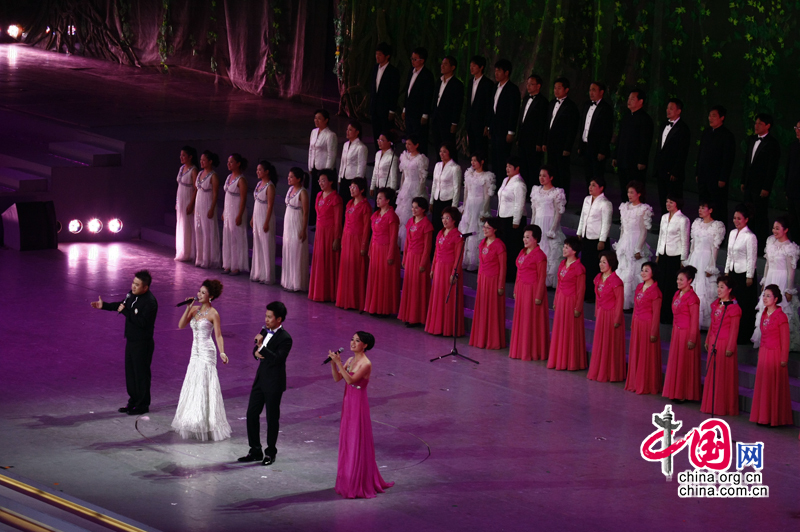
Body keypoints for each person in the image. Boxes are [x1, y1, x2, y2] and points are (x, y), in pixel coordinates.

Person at [328, 331, 394, 498]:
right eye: (352, 339)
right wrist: (333, 364)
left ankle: (357, 481)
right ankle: (347, 479)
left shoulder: (366, 363)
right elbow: (338, 379)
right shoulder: (350, 360)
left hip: (358, 404)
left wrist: (339, 363)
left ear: (365, 345)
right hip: (348, 402)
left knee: (356, 439)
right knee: (347, 439)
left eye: (357, 341)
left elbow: (350, 380)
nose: (352, 343)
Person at [90, 270, 158, 416]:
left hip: (143, 343)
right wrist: (105, 306)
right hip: (131, 340)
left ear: (145, 287)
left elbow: (143, 323)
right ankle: (133, 402)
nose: (133, 287)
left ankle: (142, 405)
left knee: (141, 374)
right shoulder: (131, 294)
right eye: (133, 283)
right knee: (131, 373)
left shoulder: (150, 302)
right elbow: (121, 305)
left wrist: (126, 312)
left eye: (137, 285)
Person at [172, 280, 231, 441]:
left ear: (211, 296)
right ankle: (192, 419)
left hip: (207, 351)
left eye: (203, 293)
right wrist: (187, 307)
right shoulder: (194, 310)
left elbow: (218, 335)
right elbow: (181, 324)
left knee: (205, 383)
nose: (199, 295)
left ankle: (206, 422)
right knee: (193, 382)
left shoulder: (213, 314)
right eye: (199, 291)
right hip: (194, 352)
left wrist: (222, 352)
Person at [239, 301, 293, 466]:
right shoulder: (264, 331)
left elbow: (277, 359)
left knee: (271, 418)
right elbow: (257, 351)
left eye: (270, 317)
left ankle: (270, 452)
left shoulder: (286, 338)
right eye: (266, 316)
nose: (266, 319)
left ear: (279, 319)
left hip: (274, 383)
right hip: (260, 380)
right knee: (251, 414)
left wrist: (262, 347)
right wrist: (257, 352)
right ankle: (255, 450)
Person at [751, 216, 800, 350]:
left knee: (781, 309)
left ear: (786, 230)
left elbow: (791, 271)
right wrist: (764, 281)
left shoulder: (790, 248)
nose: (774, 231)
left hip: (782, 280)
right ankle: (765, 339)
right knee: (766, 307)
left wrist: (789, 289)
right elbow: (767, 264)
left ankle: (780, 342)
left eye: (778, 228)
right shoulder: (771, 242)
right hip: (771, 277)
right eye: (773, 228)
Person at [749, 285, 793, 426]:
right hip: (764, 352)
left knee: (774, 386)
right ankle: (763, 416)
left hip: (776, 354)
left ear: (776, 299)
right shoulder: (763, 314)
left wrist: (783, 358)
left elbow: (785, 340)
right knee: (764, 385)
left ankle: (773, 418)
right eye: (764, 295)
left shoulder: (781, 317)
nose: (765, 298)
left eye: (768, 296)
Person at [700, 275, 742, 416]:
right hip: (714, 341)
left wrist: (730, 347)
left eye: (722, 287)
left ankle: (722, 406)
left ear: (729, 290)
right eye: (718, 286)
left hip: (725, 343)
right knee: (712, 373)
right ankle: (710, 403)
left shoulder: (733, 308)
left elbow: (734, 329)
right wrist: (707, 339)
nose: (718, 289)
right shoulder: (717, 304)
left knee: (722, 375)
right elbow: (713, 323)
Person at [509, 224, 549, 361]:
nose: (525, 240)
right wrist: (515, 289)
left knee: (530, 320)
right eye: (524, 237)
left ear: (536, 239)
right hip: (521, 288)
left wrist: (538, 296)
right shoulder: (522, 252)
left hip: (532, 290)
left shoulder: (540, 256)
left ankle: (530, 351)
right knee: (521, 319)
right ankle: (520, 349)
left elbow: (542, 277)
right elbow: (518, 273)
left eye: (528, 237)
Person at [662, 265, 701, 401]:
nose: (678, 282)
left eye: (681, 280)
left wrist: (692, 338)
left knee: (684, 363)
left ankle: (683, 394)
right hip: (677, 332)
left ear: (689, 281)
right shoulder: (677, 294)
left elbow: (695, 321)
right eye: (677, 279)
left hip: (686, 334)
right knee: (676, 362)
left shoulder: (693, 298)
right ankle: (674, 391)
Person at [547, 236, 587, 371]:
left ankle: (570, 361)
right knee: (559, 329)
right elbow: (559, 284)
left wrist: (578, 307)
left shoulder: (579, 268)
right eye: (563, 246)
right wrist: (556, 300)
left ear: (574, 251)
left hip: (571, 302)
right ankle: (558, 359)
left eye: (566, 247)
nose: (563, 249)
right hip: (562, 300)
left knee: (570, 330)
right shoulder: (562, 264)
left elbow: (581, 290)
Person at [685, 200, 726, 329]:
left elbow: (715, 248)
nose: (700, 210)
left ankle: (702, 321)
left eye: (703, 207)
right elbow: (693, 245)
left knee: (704, 289)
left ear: (710, 210)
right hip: (695, 259)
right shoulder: (696, 224)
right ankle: (689, 317)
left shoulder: (716, 226)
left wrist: (711, 266)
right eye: (700, 207)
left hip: (706, 258)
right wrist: (688, 260)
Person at [741, 113, 781, 245]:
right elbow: (747, 162)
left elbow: (772, 168)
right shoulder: (752, 139)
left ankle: (761, 243)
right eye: (756, 123)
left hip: (760, 187)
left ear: (768, 126)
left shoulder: (772, 144)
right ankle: (747, 241)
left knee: (760, 215)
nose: (756, 126)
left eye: (760, 124)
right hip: (749, 184)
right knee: (747, 213)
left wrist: (766, 187)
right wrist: (743, 180)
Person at [624, 262, 663, 394]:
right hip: (637, 323)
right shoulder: (639, 287)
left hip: (647, 325)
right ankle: (635, 382)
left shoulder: (656, 292)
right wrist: (633, 323)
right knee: (636, 352)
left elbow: (656, 314)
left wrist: (653, 332)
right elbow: (636, 307)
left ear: (653, 273)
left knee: (646, 355)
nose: (643, 272)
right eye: (642, 270)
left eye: (647, 270)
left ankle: (645, 383)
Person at [613, 181, 653, 309]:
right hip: (625, 241)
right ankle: (620, 300)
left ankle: (633, 302)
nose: (629, 195)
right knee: (622, 268)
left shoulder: (643, 209)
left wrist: (638, 248)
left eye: (632, 192)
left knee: (633, 270)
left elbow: (643, 231)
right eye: (628, 192)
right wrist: (619, 244)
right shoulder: (624, 207)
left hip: (635, 241)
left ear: (639, 194)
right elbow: (623, 229)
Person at [425, 206, 465, 337]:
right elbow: (436, 252)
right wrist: (432, 268)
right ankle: (436, 326)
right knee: (437, 296)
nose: (444, 220)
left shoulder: (458, 236)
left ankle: (447, 328)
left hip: (449, 269)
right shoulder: (440, 233)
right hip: (438, 268)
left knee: (448, 298)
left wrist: (454, 273)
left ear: (454, 220)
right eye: (443, 218)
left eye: (447, 218)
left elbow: (459, 257)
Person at [587, 250, 625, 382]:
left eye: (604, 262)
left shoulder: (616, 281)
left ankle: (610, 373)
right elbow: (598, 297)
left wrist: (617, 319)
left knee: (610, 344)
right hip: (602, 314)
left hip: (611, 315)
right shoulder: (598, 278)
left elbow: (620, 302)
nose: (601, 264)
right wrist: (597, 312)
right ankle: (598, 370)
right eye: (600, 262)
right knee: (599, 343)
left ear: (611, 264)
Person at [469, 218, 507, 349]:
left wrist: (501, 285)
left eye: (487, 228)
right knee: (482, 308)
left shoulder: (499, 245)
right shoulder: (482, 243)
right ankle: (480, 338)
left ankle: (492, 340)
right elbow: (481, 263)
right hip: (484, 279)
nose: (484, 229)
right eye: (484, 227)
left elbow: (503, 267)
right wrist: (479, 278)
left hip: (493, 280)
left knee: (492, 310)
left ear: (495, 229)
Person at [695, 105, 736, 230]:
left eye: (714, 116)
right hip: (703, 176)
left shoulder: (727, 136)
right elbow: (700, 154)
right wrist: (698, 172)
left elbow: (728, 159)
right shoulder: (706, 132)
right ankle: (703, 230)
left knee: (718, 205)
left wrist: (723, 178)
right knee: (703, 203)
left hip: (717, 178)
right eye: (710, 115)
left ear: (722, 118)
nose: (710, 118)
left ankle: (719, 233)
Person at [724, 204, 759, 344]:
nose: (736, 221)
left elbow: (752, 257)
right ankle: (730, 333)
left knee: (743, 305)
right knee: (731, 303)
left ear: (746, 220)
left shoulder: (750, 237)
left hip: (744, 274)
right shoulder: (732, 233)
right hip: (733, 272)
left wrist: (749, 276)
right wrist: (726, 271)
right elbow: (729, 254)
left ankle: (742, 335)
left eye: (739, 218)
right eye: (734, 218)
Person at [336, 178, 372, 311]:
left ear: (362, 190)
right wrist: (342, 239)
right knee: (346, 268)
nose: (351, 189)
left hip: (357, 241)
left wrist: (364, 246)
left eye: (354, 187)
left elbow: (366, 228)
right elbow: (346, 223)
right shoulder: (349, 203)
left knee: (356, 270)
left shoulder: (365, 206)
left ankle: (355, 302)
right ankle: (344, 299)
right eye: (350, 187)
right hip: (347, 238)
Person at [364, 188, 401, 315]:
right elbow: (373, 234)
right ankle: (373, 306)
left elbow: (393, 237)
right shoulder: (376, 215)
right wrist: (370, 249)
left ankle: (383, 309)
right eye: (377, 198)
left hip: (386, 250)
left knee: (384, 279)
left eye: (381, 198)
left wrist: (390, 255)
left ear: (388, 201)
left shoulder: (392, 217)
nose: (377, 200)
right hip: (375, 248)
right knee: (375, 277)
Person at [398, 197, 434, 327]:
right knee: (409, 286)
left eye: (416, 207)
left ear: (423, 209)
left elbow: (427, 246)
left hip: (420, 259)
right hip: (410, 257)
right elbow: (407, 242)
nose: (413, 210)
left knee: (418, 288)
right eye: (412, 207)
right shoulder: (410, 222)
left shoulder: (426, 225)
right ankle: (408, 315)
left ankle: (418, 317)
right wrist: (405, 257)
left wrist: (423, 263)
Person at [308, 170, 343, 302]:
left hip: (330, 233)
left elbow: (338, 221)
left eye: (323, 180)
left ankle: (328, 293)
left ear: (331, 181)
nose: (320, 183)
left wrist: (336, 238)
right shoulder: (318, 195)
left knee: (328, 261)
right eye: (319, 180)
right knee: (319, 261)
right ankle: (317, 291)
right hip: (320, 233)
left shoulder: (336, 199)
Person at [543, 77, 579, 204]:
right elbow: (547, 123)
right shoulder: (552, 103)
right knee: (551, 169)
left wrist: (567, 147)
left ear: (566, 89)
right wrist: (544, 141)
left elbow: (572, 129)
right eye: (555, 88)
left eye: (559, 88)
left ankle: (563, 198)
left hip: (562, 145)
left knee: (562, 171)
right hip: (551, 143)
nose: (556, 90)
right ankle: (552, 195)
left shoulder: (571, 106)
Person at [576, 177, 612, 302]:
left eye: (593, 185)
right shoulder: (587, 199)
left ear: (601, 188)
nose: (590, 187)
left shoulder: (605, 203)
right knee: (585, 266)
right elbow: (582, 217)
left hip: (597, 240)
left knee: (595, 268)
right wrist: (579, 232)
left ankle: (595, 294)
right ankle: (585, 293)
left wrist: (602, 240)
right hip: (587, 237)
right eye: (590, 185)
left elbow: (606, 223)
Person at [612, 88, 654, 195]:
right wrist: (615, 156)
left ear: (640, 101)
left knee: (635, 188)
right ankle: (625, 210)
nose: (629, 100)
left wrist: (642, 160)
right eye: (629, 98)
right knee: (623, 187)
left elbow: (646, 142)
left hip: (635, 162)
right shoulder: (626, 116)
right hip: (622, 159)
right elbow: (620, 137)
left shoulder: (645, 119)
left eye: (632, 99)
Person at [655, 195, 690, 323]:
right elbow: (661, 236)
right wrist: (658, 253)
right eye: (667, 201)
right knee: (661, 284)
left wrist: (683, 259)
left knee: (671, 286)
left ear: (677, 203)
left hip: (675, 256)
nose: (668, 204)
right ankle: (659, 312)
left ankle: (669, 315)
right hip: (663, 255)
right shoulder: (664, 217)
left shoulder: (683, 219)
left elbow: (685, 240)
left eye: (671, 202)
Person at [530, 165, 567, 287]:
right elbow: (534, 211)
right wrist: (532, 227)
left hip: (549, 224)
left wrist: (553, 229)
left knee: (549, 251)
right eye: (540, 175)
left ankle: (547, 280)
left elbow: (558, 213)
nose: (541, 178)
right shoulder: (536, 191)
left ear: (551, 177)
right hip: (538, 223)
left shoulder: (556, 193)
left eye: (544, 176)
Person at [458, 152, 496, 270]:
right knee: (466, 229)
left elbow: (487, 196)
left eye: (475, 160)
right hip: (469, 204)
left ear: (482, 161)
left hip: (479, 206)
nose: (472, 163)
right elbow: (466, 192)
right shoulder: (469, 174)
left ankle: (476, 261)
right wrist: (464, 206)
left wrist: (484, 211)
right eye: (471, 160)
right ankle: (465, 259)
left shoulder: (487, 176)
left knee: (476, 231)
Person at [654, 98, 691, 217]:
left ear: (679, 111)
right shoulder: (664, 125)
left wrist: (675, 171)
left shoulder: (683, 129)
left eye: (671, 108)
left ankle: (675, 224)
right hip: (661, 169)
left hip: (672, 172)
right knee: (662, 198)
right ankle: (664, 222)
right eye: (667, 108)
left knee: (674, 199)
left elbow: (682, 152)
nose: (668, 110)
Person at [497, 156, 527, 281]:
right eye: (507, 166)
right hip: (503, 217)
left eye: (510, 167)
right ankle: (502, 272)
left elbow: (519, 204)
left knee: (512, 247)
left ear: (517, 168)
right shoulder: (505, 180)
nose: (507, 169)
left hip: (513, 220)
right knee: (503, 247)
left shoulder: (519, 184)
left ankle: (511, 274)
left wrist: (516, 221)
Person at [397, 135, 430, 250]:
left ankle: (411, 244)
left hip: (415, 187)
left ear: (416, 145)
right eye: (406, 144)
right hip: (406, 187)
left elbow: (422, 178)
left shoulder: (421, 159)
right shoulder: (405, 156)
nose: (407, 146)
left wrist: (419, 194)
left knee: (412, 214)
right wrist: (401, 189)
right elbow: (403, 175)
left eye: (410, 144)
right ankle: (402, 245)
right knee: (402, 216)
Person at [577, 81, 613, 187]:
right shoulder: (586, 105)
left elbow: (607, 131)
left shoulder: (606, 108)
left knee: (597, 176)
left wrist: (602, 150)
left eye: (594, 90)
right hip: (586, 146)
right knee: (587, 174)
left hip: (597, 148)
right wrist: (580, 144)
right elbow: (582, 126)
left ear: (601, 92)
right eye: (590, 90)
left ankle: (598, 200)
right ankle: (589, 199)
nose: (591, 92)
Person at [517, 74, 549, 190]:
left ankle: (533, 190)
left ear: (538, 86)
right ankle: (523, 190)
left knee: (533, 166)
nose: (528, 86)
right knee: (523, 166)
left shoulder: (543, 102)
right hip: (523, 138)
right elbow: (521, 120)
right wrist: (518, 137)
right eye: (528, 84)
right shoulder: (525, 98)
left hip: (534, 140)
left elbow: (542, 124)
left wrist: (540, 142)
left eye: (531, 84)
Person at [488, 59, 520, 174]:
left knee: (503, 157)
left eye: (499, 71)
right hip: (495, 128)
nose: (496, 73)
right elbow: (492, 108)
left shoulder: (512, 89)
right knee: (494, 156)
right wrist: (489, 127)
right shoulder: (495, 87)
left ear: (506, 73)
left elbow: (513, 111)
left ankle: (503, 182)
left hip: (505, 129)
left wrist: (511, 132)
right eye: (495, 71)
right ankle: (495, 182)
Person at [281, 167, 310, 292]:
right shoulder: (289, 190)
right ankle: (288, 281)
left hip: (297, 223)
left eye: (291, 177)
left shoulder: (302, 192)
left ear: (298, 179)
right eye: (288, 176)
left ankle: (296, 282)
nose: (289, 179)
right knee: (288, 250)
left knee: (296, 252)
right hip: (288, 223)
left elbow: (305, 212)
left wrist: (303, 230)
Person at [308, 108, 338, 227]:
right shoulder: (314, 132)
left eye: (319, 118)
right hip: (315, 168)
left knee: (325, 197)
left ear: (326, 120)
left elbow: (332, 154)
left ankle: (323, 222)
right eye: (315, 118)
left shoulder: (330, 135)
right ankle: (314, 220)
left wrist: (326, 173)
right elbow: (311, 150)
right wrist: (310, 166)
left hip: (324, 170)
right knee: (316, 195)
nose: (316, 121)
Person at [402, 47, 435, 155]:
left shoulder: (427, 75)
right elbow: (407, 92)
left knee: (419, 138)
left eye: (415, 59)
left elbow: (427, 96)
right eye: (412, 58)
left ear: (422, 60)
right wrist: (404, 108)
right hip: (409, 111)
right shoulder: (411, 72)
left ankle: (421, 162)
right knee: (409, 136)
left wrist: (425, 114)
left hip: (419, 112)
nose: (412, 61)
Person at [221, 154, 249, 275]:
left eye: (231, 162)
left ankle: (236, 265)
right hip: (228, 210)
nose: (229, 164)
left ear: (238, 164)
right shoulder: (228, 177)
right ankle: (227, 264)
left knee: (236, 237)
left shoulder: (241, 180)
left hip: (236, 210)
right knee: (227, 236)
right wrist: (224, 211)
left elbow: (243, 199)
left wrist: (239, 214)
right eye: (228, 162)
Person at [250, 160, 277, 285]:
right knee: (258, 244)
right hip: (257, 215)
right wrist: (252, 218)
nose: (257, 172)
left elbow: (270, 206)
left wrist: (266, 222)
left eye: (260, 170)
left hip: (265, 216)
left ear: (267, 172)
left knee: (266, 245)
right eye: (257, 170)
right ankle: (258, 272)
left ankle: (267, 275)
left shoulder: (270, 186)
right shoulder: (259, 184)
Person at [370, 43, 400, 153]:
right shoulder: (375, 68)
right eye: (376, 54)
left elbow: (394, 92)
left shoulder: (393, 71)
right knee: (376, 132)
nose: (377, 57)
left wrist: (392, 110)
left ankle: (387, 155)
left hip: (386, 108)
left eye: (380, 55)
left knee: (386, 133)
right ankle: (378, 155)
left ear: (387, 56)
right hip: (375, 107)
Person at [194, 150, 222, 269]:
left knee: (207, 230)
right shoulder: (200, 173)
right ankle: (200, 257)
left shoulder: (213, 176)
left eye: (204, 160)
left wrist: (212, 208)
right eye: (201, 160)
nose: (201, 162)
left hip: (207, 203)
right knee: (198, 230)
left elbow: (215, 194)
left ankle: (209, 258)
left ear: (210, 162)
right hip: (199, 203)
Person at [431, 55, 464, 154]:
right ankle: (439, 167)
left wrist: (454, 123)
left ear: (453, 67)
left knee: (448, 146)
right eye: (442, 64)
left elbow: (457, 105)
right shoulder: (439, 81)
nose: (442, 66)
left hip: (447, 120)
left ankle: (451, 168)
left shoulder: (457, 84)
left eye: (445, 64)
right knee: (437, 146)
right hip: (437, 118)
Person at [430, 141, 462, 237]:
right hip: (437, 199)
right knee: (435, 226)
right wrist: (431, 201)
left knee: (445, 227)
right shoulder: (437, 165)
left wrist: (454, 207)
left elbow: (457, 188)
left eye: (444, 151)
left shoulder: (455, 168)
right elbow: (434, 184)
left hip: (447, 201)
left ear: (449, 152)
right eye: (440, 151)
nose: (441, 154)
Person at [465, 55, 494, 157]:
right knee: (472, 147)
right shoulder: (470, 82)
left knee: (481, 149)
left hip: (481, 123)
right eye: (470, 66)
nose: (471, 68)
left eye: (474, 66)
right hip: (470, 121)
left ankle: (482, 171)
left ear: (481, 67)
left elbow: (488, 105)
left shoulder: (488, 84)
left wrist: (487, 124)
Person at [175, 145, 198, 261]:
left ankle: (189, 252)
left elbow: (196, 188)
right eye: (181, 155)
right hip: (180, 198)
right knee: (181, 224)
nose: (181, 157)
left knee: (187, 225)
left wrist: (191, 203)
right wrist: (177, 202)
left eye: (184, 155)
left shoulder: (193, 170)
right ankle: (182, 250)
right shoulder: (181, 168)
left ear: (190, 157)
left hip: (188, 198)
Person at [338, 120, 368, 206]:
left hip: (353, 180)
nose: (347, 132)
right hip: (344, 178)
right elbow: (342, 162)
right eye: (347, 129)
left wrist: (357, 184)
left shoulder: (361, 147)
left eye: (350, 130)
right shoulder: (346, 145)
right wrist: (340, 177)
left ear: (357, 132)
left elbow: (361, 166)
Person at [785, 119, 800, 226]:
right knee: (793, 221)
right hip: (792, 191)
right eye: (796, 128)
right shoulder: (793, 146)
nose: (797, 131)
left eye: (799, 129)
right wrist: (787, 189)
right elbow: (788, 168)